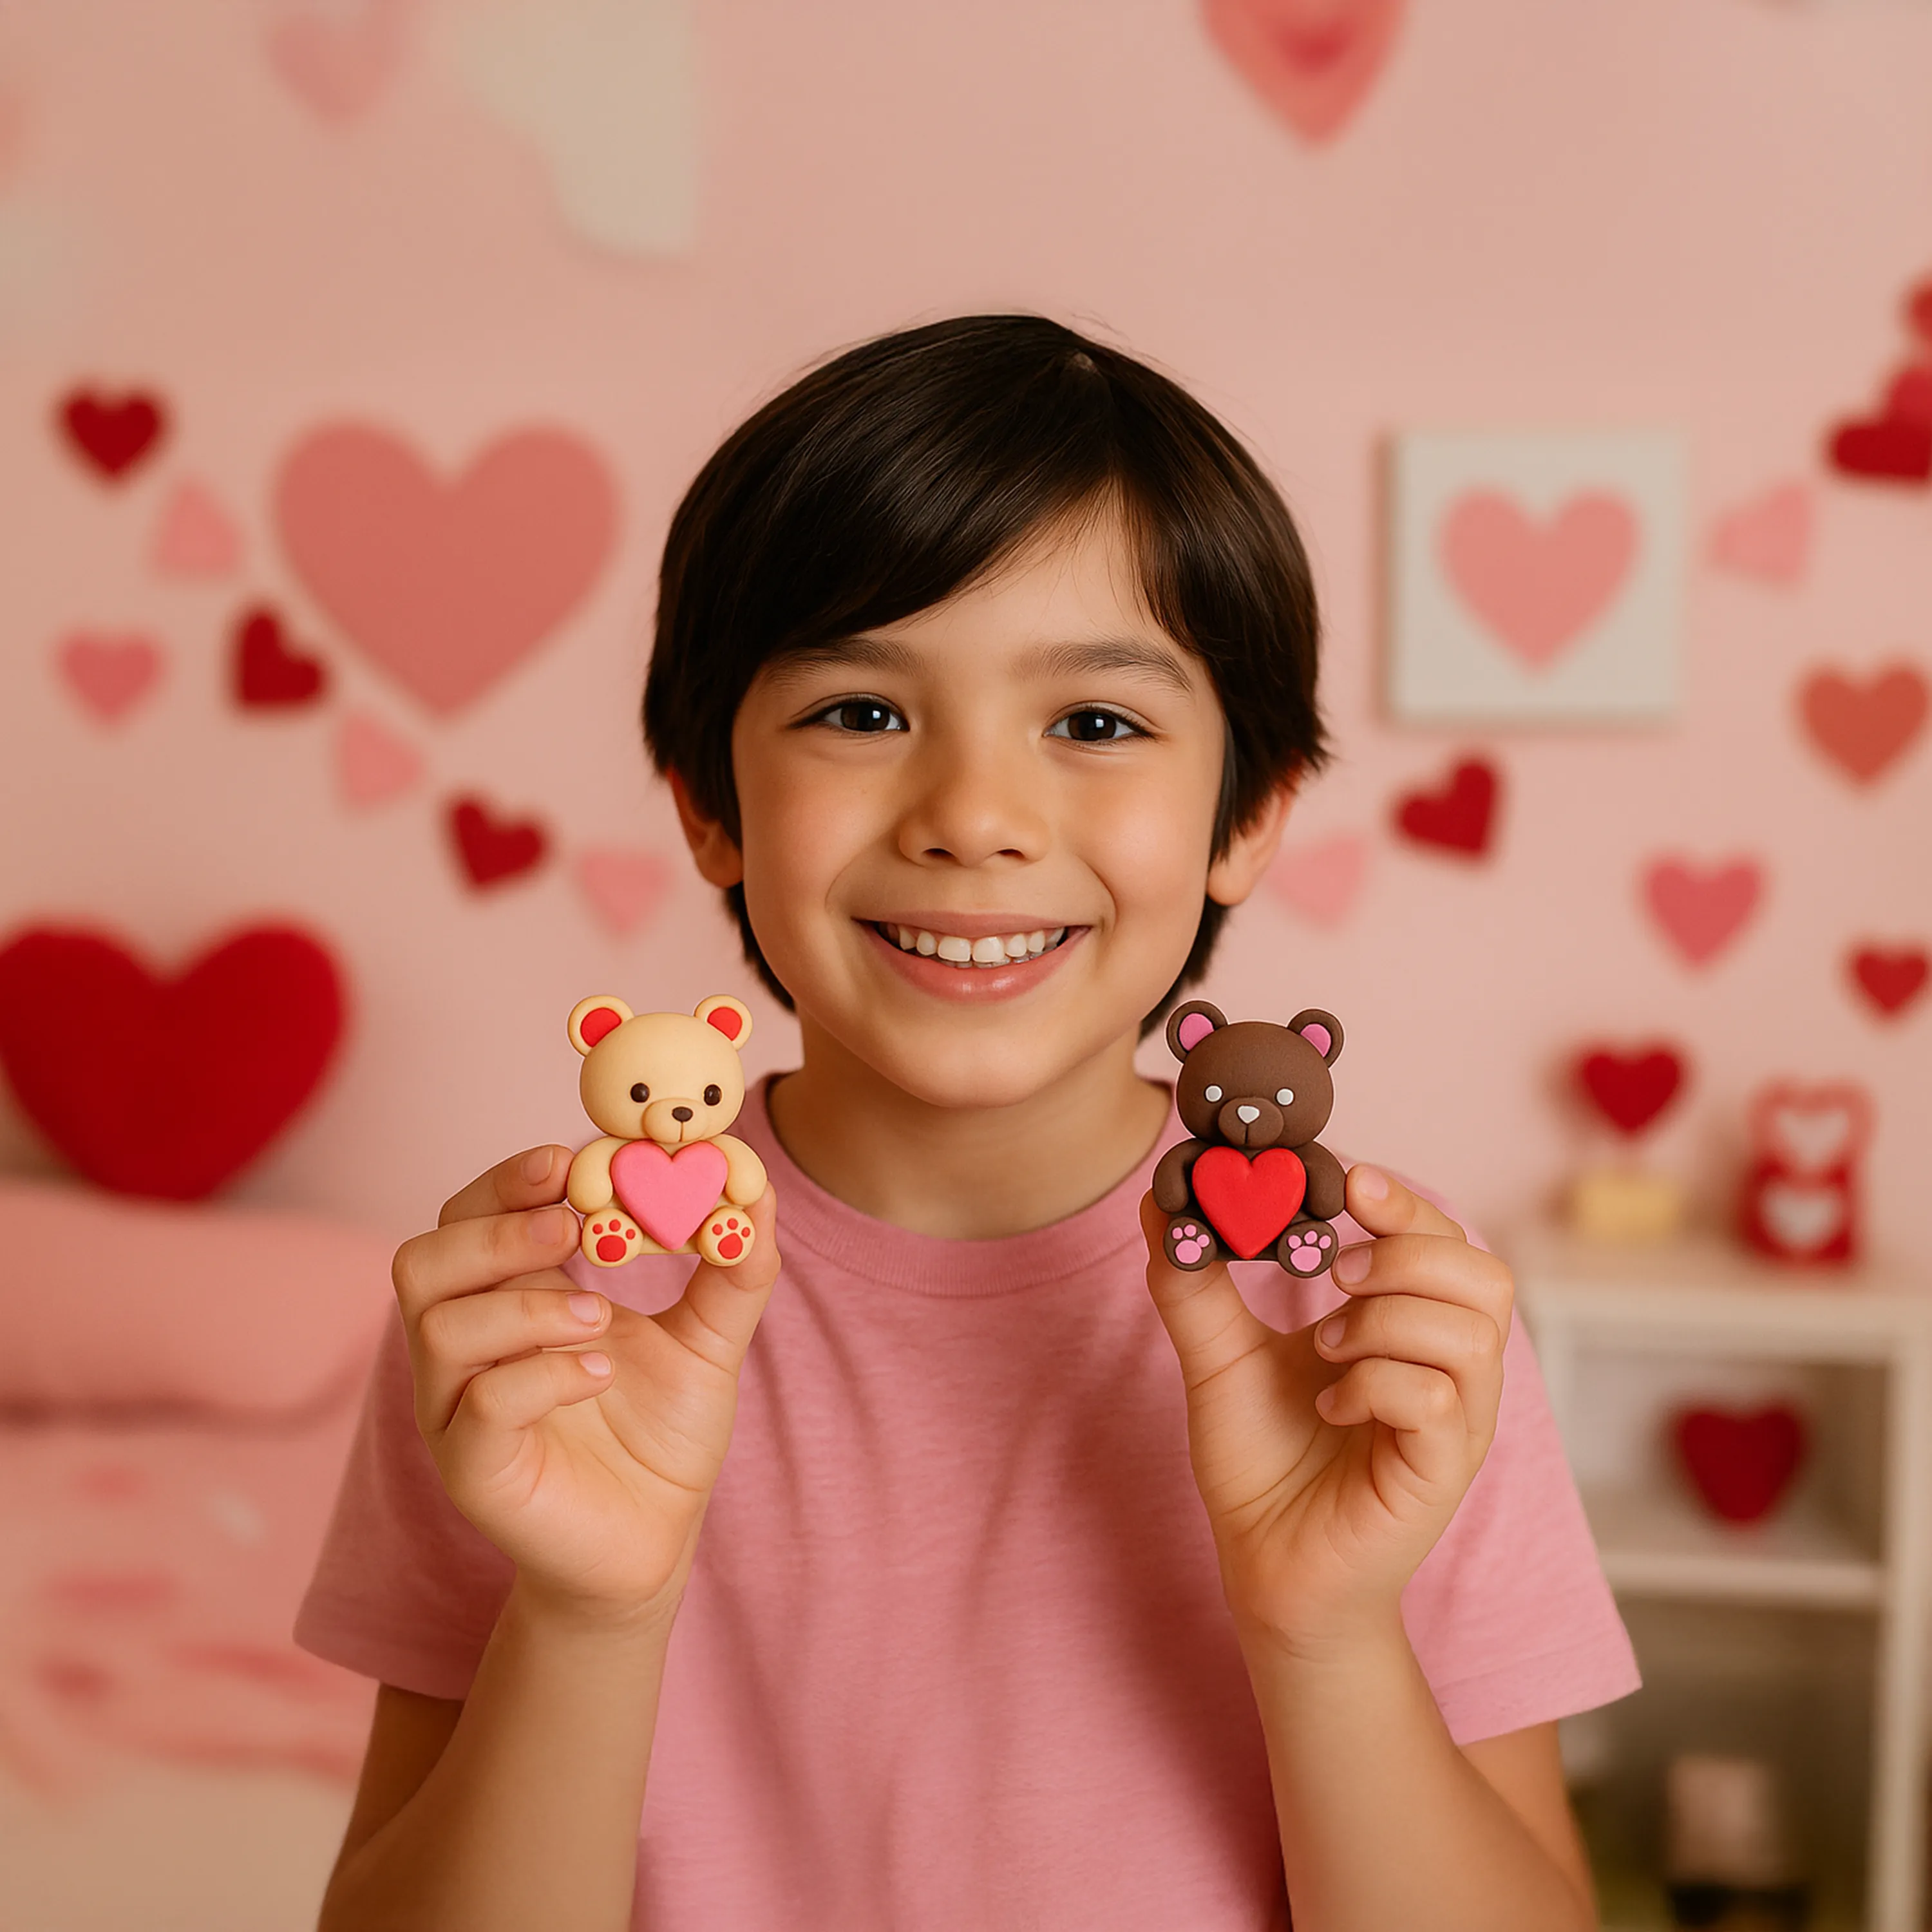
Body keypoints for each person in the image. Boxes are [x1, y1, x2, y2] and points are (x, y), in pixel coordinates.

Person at [296, 315, 1638, 1932]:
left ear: (1254, 812)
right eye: (863, 713)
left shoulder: (1382, 1319)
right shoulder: (538, 1310)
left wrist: (1327, 1631)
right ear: (709, 804)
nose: (976, 821)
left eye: (1094, 723)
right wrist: (590, 1617)